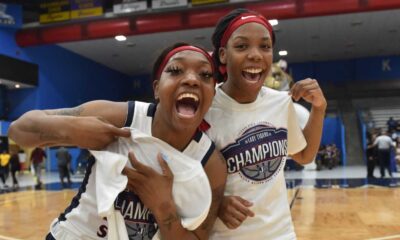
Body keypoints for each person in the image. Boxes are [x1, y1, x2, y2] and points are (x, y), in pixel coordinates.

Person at [8, 43, 226, 240]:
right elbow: (18, 130)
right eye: (176, 70)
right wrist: (71, 129)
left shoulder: (211, 164)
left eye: (205, 75)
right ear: (157, 88)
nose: (191, 79)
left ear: (212, 95)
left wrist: (163, 207)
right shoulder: (122, 117)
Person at [204, 8, 326, 239]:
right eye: (241, 46)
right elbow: (180, 179)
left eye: (265, 46)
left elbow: (304, 155)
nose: (255, 55)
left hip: (281, 233)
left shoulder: (280, 102)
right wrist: (216, 204)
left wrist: (319, 109)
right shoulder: (205, 108)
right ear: (222, 54)